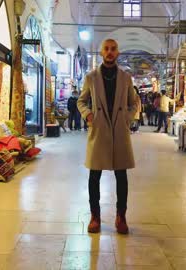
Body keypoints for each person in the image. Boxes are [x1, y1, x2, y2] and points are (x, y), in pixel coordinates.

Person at [77, 38, 139, 235]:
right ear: (102, 53)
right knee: (94, 175)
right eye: (106, 49)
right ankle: (95, 216)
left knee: (122, 176)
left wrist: (126, 118)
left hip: (119, 130)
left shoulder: (126, 78)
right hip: (99, 129)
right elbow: (81, 101)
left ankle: (121, 217)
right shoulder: (91, 77)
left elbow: (134, 102)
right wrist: (88, 114)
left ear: (118, 52)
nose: (110, 52)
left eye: (113, 49)